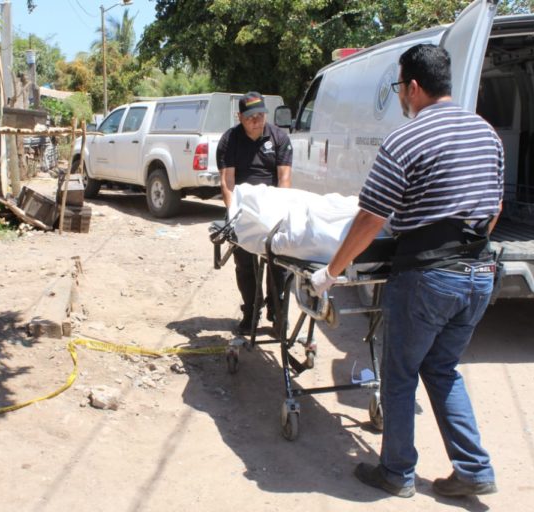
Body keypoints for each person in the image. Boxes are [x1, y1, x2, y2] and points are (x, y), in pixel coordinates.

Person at [311, 44, 503, 498]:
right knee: (443, 369)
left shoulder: (407, 139)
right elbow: (494, 208)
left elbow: (370, 217)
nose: (400, 95)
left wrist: (332, 272)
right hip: (479, 274)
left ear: (413, 87)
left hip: (427, 277)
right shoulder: (485, 133)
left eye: (400, 86)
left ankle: (396, 472)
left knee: (400, 373)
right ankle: (474, 468)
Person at [216, 91, 292, 334]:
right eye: (250, 117)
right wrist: (234, 215)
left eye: (260, 116)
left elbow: (284, 179)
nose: (256, 121)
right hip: (243, 208)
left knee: (279, 263)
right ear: (240, 117)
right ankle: (251, 310)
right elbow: (227, 181)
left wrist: (278, 214)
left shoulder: (280, 138)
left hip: (271, 206)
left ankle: (277, 310)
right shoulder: (229, 140)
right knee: (245, 265)